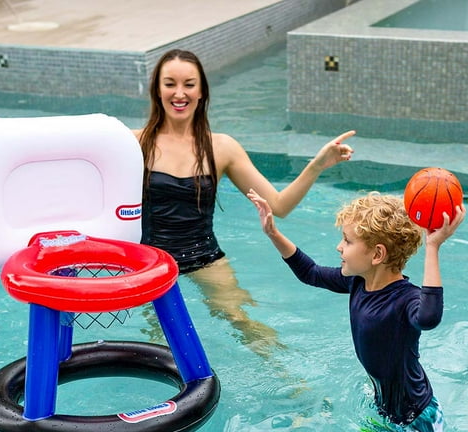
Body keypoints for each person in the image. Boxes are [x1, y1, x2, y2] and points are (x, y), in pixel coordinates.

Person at [248, 188, 466, 432]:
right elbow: (311, 273)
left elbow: (429, 317)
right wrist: (273, 232)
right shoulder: (358, 283)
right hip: (388, 403)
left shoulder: (405, 300)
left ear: (377, 254)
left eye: (347, 241)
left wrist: (434, 248)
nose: (339, 247)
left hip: (414, 411)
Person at [132, 48, 354, 357]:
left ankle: (291, 380)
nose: (179, 93)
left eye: (189, 84)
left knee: (239, 318)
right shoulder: (133, 143)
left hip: (203, 255)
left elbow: (279, 205)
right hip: (151, 261)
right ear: (157, 89)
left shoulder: (221, 148)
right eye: (170, 83)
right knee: (156, 337)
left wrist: (316, 165)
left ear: (202, 91)